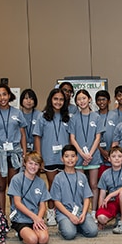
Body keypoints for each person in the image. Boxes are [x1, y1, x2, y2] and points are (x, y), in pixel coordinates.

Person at [0, 83, 27, 213]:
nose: (2, 98)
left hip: (14, 153)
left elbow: (23, 135)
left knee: (13, 186)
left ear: (9, 95)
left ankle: (15, 216)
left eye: (4, 94)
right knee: (1, 186)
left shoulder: (17, 113)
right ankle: (2, 217)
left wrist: (24, 153)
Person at [33, 88, 71, 226]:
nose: (58, 102)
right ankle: (50, 213)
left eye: (61, 99)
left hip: (65, 158)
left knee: (64, 186)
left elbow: (71, 138)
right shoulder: (42, 117)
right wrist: (39, 157)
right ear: (50, 100)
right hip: (49, 157)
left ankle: (64, 212)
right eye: (56, 99)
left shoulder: (67, 117)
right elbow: (37, 137)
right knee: (53, 185)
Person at [52, 145, 98, 240]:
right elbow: (56, 201)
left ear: (77, 158)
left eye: (73, 156)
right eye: (67, 156)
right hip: (64, 213)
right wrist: (70, 215)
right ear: (62, 159)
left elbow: (86, 198)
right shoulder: (58, 178)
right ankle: (64, 226)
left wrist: (84, 213)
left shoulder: (82, 176)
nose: (70, 159)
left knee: (93, 231)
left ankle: (77, 225)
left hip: (80, 212)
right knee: (69, 234)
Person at [69, 90, 102, 214]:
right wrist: (82, 154)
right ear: (76, 102)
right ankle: (81, 210)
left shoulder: (96, 117)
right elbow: (72, 138)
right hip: (79, 156)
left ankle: (93, 211)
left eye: (84, 98)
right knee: (80, 185)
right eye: (79, 99)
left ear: (89, 99)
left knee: (93, 184)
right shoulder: (74, 118)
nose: (81, 101)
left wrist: (90, 154)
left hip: (93, 156)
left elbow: (98, 137)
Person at [7, 152, 51, 244]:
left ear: (39, 166)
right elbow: (17, 203)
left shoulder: (41, 183)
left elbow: (43, 205)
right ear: (25, 163)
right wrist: (34, 217)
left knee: (43, 239)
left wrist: (38, 219)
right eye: (30, 163)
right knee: (33, 240)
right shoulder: (16, 179)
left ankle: (30, 232)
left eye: (36, 164)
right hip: (21, 219)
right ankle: (21, 233)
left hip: (36, 218)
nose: (33, 166)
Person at [96, 146, 122, 234]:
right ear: (109, 159)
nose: (117, 159)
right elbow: (102, 194)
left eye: (119, 156)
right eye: (114, 156)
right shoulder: (105, 173)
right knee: (101, 218)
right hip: (112, 203)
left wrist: (110, 195)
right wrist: (100, 211)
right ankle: (117, 216)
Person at [95, 90, 118, 177]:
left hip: (112, 151)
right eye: (99, 100)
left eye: (104, 99)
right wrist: (101, 150)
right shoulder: (94, 116)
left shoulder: (115, 115)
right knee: (100, 180)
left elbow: (117, 134)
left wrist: (110, 151)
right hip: (97, 152)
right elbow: (91, 136)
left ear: (109, 101)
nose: (101, 102)